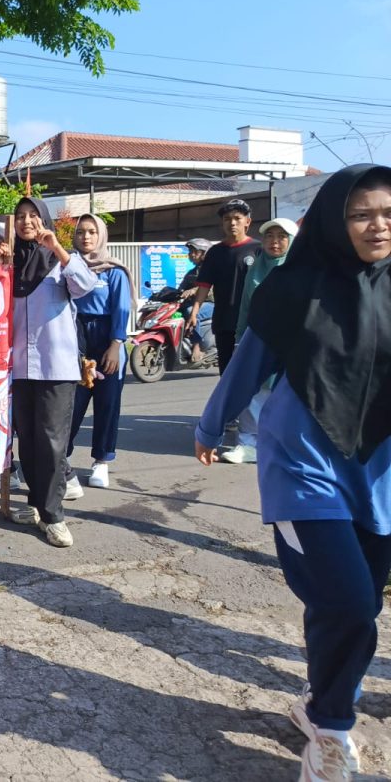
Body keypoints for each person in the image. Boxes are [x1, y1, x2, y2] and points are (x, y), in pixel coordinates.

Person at [194, 164, 391, 782]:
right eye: (361, 214)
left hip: (380, 473)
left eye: (388, 212)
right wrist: (209, 426)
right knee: (352, 602)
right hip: (304, 467)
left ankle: (318, 700)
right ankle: (331, 732)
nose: (378, 225)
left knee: (348, 600)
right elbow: (248, 365)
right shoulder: (295, 288)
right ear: (335, 220)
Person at [0, 196, 97, 548]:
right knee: (26, 439)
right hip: (17, 368)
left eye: (33, 216)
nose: (27, 221)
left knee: (52, 442)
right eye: (20, 216)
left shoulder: (59, 263)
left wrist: (58, 248)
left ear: (43, 220)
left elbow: (86, 288)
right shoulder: (10, 265)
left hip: (55, 366)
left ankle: (54, 515)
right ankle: (35, 504)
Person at [216, 217, 298, 465]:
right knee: (253, 395)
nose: (274, 242)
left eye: (281, 237)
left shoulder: (303, 269)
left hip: (293, 345)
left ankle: (285, 446)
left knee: (289, 396)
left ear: (293, 241)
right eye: (270, 236)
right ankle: (248, 444)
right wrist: (241, 340)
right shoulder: (257, 268)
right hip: (258, 341)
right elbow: (245, 308)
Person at [64, 214, 133, 494]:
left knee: (107, 404)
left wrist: (116, 345)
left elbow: (122, 310)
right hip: (75, 336)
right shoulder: (67, 265)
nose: (86, 237)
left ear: (101, 235)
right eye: (80, 231)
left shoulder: (113, 271)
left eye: (92, 232)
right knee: (70, 405)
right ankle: (61, 458)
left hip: (107, 339)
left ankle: (101, 460)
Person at [185, 199, 262, 373]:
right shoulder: (215, 252)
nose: (232, 223)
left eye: (237, 218)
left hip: (253, 322)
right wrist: (195, 312)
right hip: (224, 322)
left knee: (252, 373)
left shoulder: (258, 249)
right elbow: (204, 285)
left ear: (247, 222)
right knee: (227, 373)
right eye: (227, 219)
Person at [179, 238, 214, 364]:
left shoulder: (212, 269)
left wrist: (194, 290)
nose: (191, 254)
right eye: (190, 251)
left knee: (192, 312)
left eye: (195, 251)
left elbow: (209, 288)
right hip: (196, 304)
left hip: (213, 304)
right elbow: (181, 288)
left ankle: (197, 347)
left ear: (205, 253)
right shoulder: (192, 272)